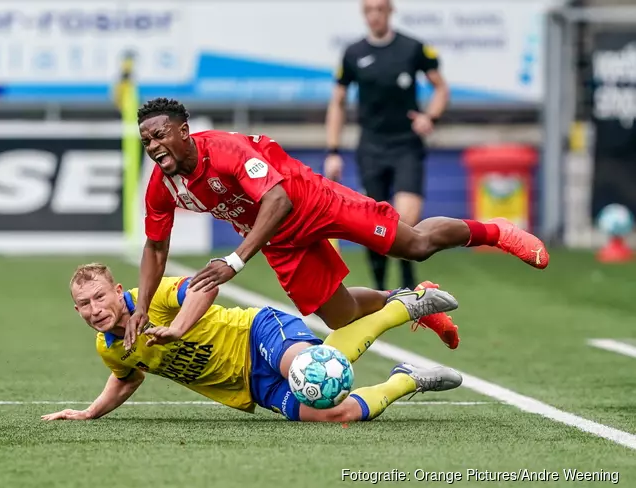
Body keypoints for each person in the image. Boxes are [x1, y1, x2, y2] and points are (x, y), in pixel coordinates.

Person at [128, 97, 549, 356]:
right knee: (339, 315)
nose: (154, 146)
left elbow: (278, 198)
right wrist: (143, 306)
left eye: (160, 135)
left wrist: (235, 262)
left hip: (311, 201)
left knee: (415, 245)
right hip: (278, 240)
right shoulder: (161, 187)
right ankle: (413, 300)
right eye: (147, 141)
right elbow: (155, 248)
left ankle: (496, 231)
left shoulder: (224, 150)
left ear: (184, 131)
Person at [41, 263, 462, 423]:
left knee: (309, 370)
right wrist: (90, 412)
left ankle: (405, 305)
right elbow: (127, 377)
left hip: (257, 333)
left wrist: (178, 327)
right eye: (84, 304)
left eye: (99, 297)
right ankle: (407, 380)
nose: (94, 308)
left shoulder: (156, 297)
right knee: (334, 415)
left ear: (117, 291)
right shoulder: (108, 346)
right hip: (252, 388)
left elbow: (205, 289)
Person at [324, 0, 450, 292]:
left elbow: (441, 87)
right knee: (374, 221)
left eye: (380, 9)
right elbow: (338, 102)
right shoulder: (353, 53)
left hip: (406, 144)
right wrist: (333, 150)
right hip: (371, 146)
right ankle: (381, 286)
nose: (374, 16)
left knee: (406, 217)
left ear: (390, 11)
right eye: (369, 10)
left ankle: (406, 281)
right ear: (363, 14)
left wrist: (430, 117)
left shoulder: (413, 48)